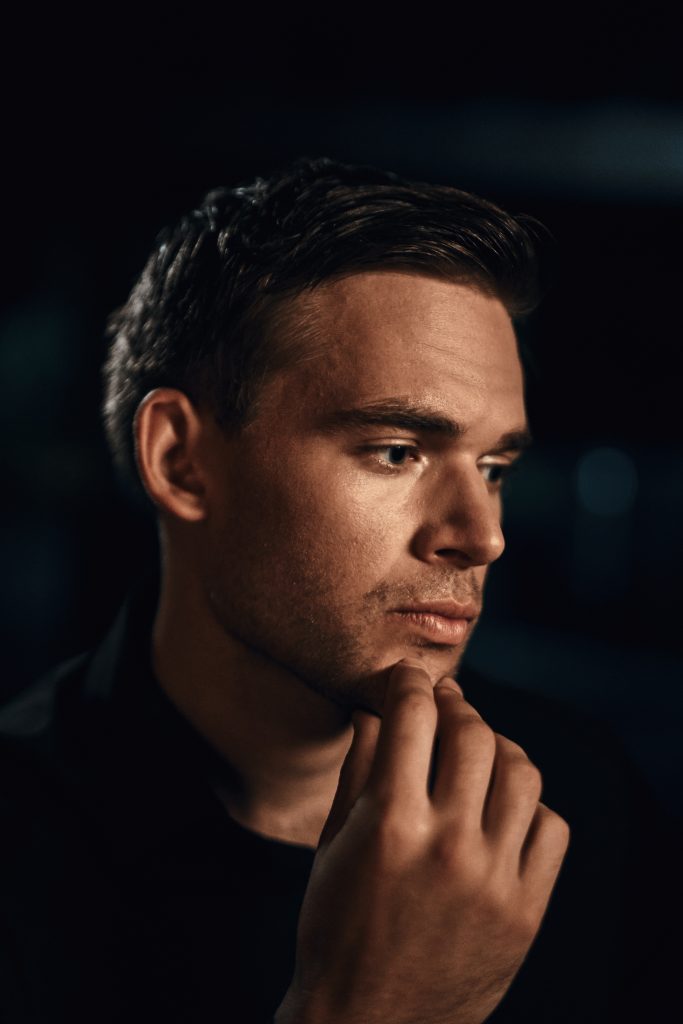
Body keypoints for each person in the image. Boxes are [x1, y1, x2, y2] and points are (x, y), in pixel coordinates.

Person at [0, 158, 675, 1023]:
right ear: (182, 460)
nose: (482, 537)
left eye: (493, 467)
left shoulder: (581, 800)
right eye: (396, 451)